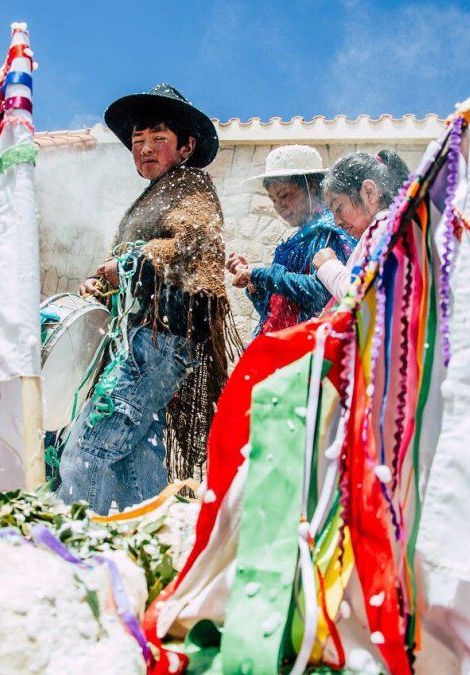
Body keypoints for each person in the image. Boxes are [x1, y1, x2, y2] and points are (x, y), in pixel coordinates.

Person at [57, 83, 236, 514]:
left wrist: (133, 262)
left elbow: (193, 240)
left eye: (158, 139)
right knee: (137, 465)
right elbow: (126, 264)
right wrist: (102, 283)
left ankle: (72, 551)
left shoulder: (191, 186)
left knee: (86, 451)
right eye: (137, 142)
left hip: (159, 345)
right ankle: (150, 547)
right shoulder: (151, 197)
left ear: (187, 145)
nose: (145, 149)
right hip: (142, 344)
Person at [226, 145, 354, 335]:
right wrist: (254, 286)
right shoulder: (295, 243)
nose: (279, 206)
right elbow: (275, 314)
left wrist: (259, 274)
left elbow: (323, 297)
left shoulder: (329, 233)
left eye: (284, 195)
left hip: (312, 353)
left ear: (310, 185)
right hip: (286, 352)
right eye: (273, 199)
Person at [312, 150, 410, 302]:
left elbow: (363, 296)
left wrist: (329, 266)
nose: (337, 222)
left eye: (339, 208)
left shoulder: (385, 228)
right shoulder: (387, 227)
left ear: (369, 192)